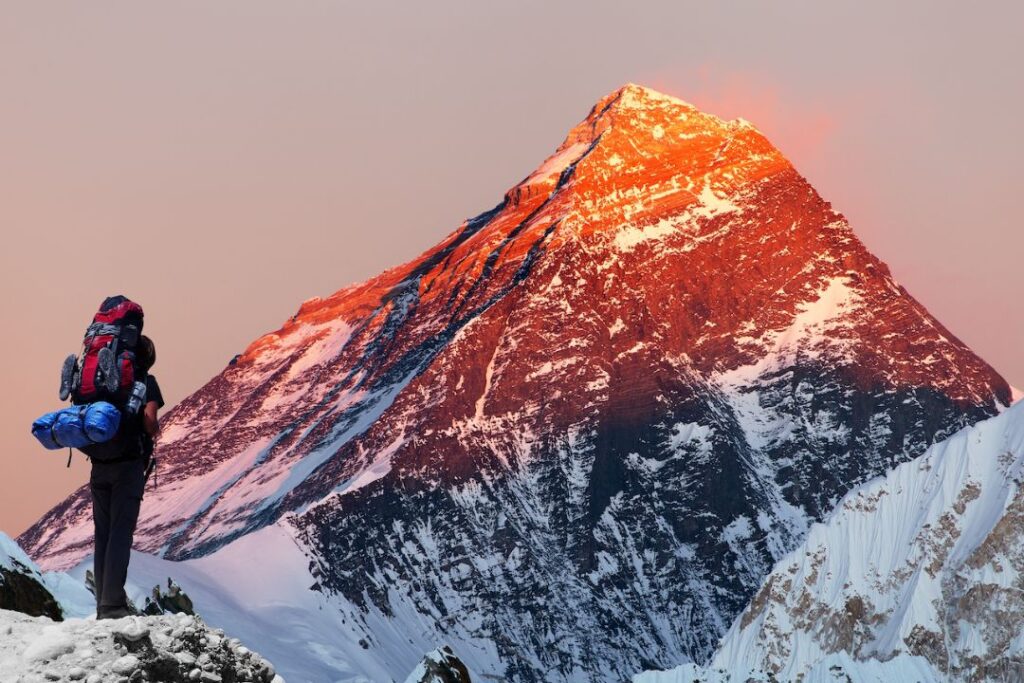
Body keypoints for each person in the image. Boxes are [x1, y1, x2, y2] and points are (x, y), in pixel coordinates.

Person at [89, 334, 164, 619]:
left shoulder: (104, 382)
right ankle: (113, 605)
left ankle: (101, 606)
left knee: (103, 535)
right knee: (120, 534)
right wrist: (153, 430)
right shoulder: (146, 381)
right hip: (129, 467)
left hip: (99, 464)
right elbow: (149, 419)